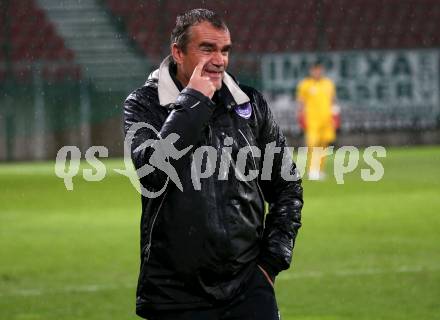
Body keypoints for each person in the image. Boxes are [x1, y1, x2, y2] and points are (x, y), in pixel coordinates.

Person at [123, 9, 303, 320]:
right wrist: (193, 101)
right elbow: (151, 173)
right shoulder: (144, 105)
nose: (219, 60)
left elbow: (287, 186)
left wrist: (271, 263)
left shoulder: (250, 104)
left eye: (225, 50)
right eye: (207, 48)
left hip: (248, 288)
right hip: (175, 295)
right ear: (178, 52)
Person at [296, 63, 339, 180]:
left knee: (324, 145)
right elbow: (301, 103)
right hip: (312, 121)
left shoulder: (328, 84)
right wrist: (300, 117)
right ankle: (312, 170)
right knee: (313, 145)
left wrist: (336, 116)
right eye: (315, 70)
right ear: (311, 71)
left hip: (326, 120)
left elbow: (333, 101)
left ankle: (320, 169)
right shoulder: (305, 84)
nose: (317, 72)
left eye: (319, 70)